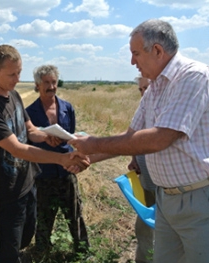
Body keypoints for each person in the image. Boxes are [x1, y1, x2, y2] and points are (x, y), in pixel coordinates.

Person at [68, 19, 209, 263]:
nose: (132, 62)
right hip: (166, 200)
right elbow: (129, 137)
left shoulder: (192, 76)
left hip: (198, 201)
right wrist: (87, 157)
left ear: (157, 50)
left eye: (135, 53)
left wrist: (94, 143)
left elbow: (160, 138)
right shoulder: (155, 87)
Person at [0, 44, 89, 263]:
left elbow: (30, 130)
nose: (17, 79)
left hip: (27, 183)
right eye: (11, 74)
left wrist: (46, 136)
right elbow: (17, 148)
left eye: (19, 72)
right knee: (7, 250)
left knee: (25, 238)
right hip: (6, 192)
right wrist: (61, 158)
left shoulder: (13, 95)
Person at [25, 64, 90, 253]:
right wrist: (45, 138)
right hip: (43, 172)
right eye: (46, 82)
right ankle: (43, 251)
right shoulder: (29, 112)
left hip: (67, 169)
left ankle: (82, 250)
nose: (51, 86)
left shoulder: (67, 108)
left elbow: (72, 138)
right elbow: (29, 142)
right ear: (37, 85)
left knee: (75, 212)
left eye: (54, 82)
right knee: (44, 215)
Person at [128, 75, 156, 263]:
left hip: (166, 186)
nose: (143, 93)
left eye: (147, 88)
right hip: (146, 180)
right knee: (144, 225)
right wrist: (134, 159)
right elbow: (133, 140)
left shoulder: (166, 113)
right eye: (140, 90)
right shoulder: (143, 111)